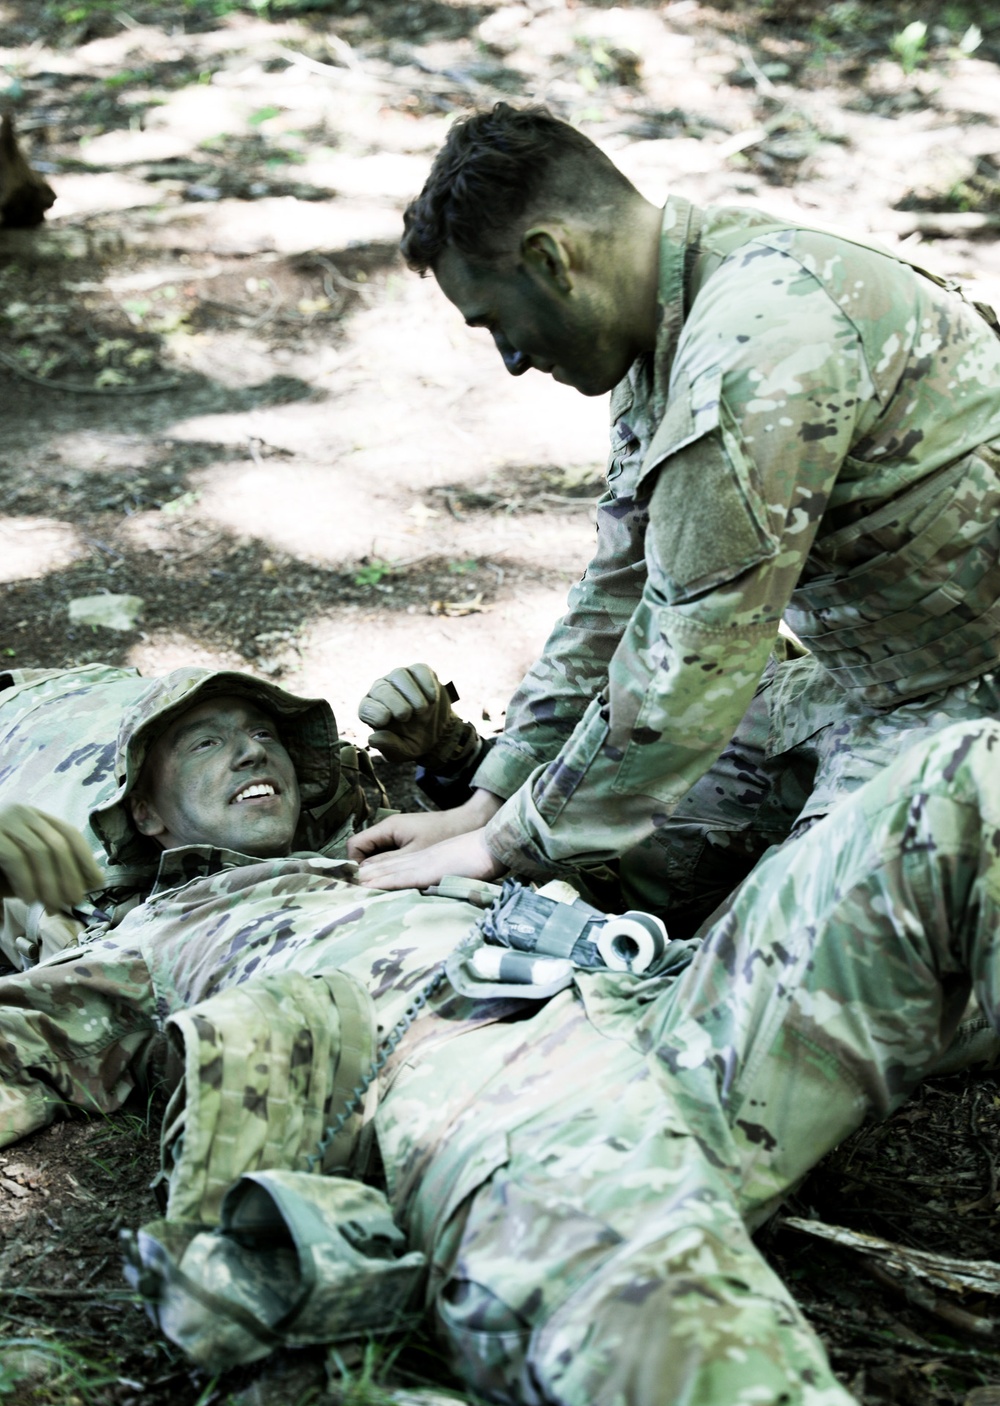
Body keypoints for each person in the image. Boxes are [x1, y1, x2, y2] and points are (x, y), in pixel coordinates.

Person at [3, 662, 1000, 1406]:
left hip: (674, 1013)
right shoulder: (150, 938)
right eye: (206, 743)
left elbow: (592, 828)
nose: (250, 749)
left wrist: (451, 766)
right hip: (492, 1096)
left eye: (261, 733)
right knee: (730, 1394)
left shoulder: (388, 850)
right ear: (140, 803)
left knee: (964, 780)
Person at [348, 103, 1000, 928]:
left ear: (552, 259)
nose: (510, 359)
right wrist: (492, 799)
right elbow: (620, 586)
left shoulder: (757, 339)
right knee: (631, 854)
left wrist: (505, 844)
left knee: (793, 971)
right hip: (875, 678)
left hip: (968, 702)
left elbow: (695, 656)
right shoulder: (666, 321)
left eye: (497, 321)